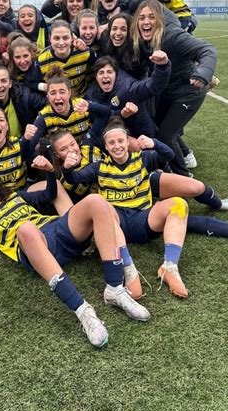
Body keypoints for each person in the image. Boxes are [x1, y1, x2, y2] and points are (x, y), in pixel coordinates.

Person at [0, 163, 151, 348]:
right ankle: (83, 312)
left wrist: (50, 172)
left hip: (56, 230)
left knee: (96, 202)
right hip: (34, 248)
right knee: (25, 229)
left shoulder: (16, 197)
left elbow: (50, 193)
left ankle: (114, 289)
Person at [61, 118, 193, 299]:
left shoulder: (143, 158)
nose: (117, 146)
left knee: (179, 204)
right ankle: (129, 270)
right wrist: (67, 168)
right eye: (111, 143)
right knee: (105, 210)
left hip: (143, 220)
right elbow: (74, 179)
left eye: (120, 141)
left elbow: (169, 155)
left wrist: (154, 143)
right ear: (106, 147)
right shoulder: (99, 167)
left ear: (127, 142)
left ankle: (169, 267)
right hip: (115, 226)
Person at [130, 0, 217, 176]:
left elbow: (207, 50)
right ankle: (185, 156)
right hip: (167, 92)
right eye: (141, 18)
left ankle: (183, 177)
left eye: (151, 17)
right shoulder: (141, 40)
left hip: (189, 92)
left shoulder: (173, 36)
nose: (146, 22)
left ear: (160, 20)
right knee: (158, 128)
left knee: (166, 135)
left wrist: (203, 74)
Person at [86, 52, 171, 138]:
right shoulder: (91, 94)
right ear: (96, 77)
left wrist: (162, 66)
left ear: (116, 74)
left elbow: (153, 86)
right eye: (101, 73)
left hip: (142, 137)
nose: (105, 76)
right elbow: (97, 122)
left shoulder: (128, 88)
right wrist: (121, 115)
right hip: (113, 140)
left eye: (109, 72)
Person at [29, 67, 110, 155]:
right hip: (63, 159)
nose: (58, 97)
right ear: (47, 96)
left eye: (62, 92)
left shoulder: (81, 105)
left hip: (88, 152)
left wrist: (90, 106)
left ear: (69, 93)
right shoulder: (44, 116)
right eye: (53, 93)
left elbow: (107, 113)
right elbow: (31, 145)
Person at [32, 19, 96, 97]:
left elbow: (96, 71)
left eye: (65, 38)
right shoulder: (41, 60)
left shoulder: (85, 52)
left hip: (81, 99)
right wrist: (45, 87)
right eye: (56, 38)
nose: (61, 43)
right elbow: (31, 83)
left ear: (72, 38)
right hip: (55, 102)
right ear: (50, 38)